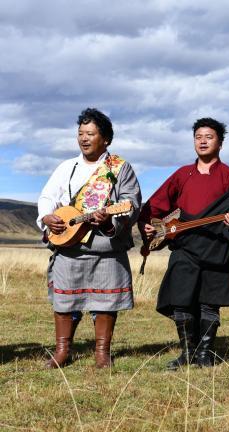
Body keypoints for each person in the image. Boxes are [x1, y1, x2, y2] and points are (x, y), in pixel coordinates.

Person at [139, 118, 229, 369]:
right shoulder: (182, 174)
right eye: (198, 137)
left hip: (217, 248)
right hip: (185, 247)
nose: (202, 141)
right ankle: (187, 352)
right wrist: (150, 224)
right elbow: (156, 203)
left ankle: (205, 353)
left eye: (209, 137)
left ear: (220, 143)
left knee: (209, 302)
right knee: (181, 300)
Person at [38, 108, 142, 369]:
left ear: (105, 139)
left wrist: (109, 221)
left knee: (106, 302)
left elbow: (131, 202)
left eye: (91, 134)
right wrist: (47, 217)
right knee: (64, 301)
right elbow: (48, 197)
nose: (84, 138)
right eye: (81, 133)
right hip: (69, 246)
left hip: (105, 248)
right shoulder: (66, 167)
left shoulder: (120, 168)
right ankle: (62, 351)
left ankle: (102, 353)